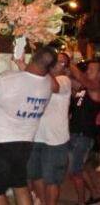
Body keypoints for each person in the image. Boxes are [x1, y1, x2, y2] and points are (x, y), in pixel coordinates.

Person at [0, 45, 57, 205]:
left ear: (32, 58)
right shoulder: (47, 84)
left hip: (0, 142)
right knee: (20, 184)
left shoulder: (9, 79)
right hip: (25, 142)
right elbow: (33, 76)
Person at [27, 52, 72, 205]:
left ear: (66, 68)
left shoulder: (64, 80)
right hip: (36, 136)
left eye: (61, 62)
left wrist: (42, 68)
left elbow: (54, 87)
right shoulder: (41, 79)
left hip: (56, 140)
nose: (55, 64)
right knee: (35, 176)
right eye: (54, 60)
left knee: (52, 180)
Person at [68, 59, 100, 205]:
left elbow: (79, 77)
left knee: (76, 172)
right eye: (88, 69)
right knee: (84, 168)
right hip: (77, 133)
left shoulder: (96, 86)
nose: (88, 71)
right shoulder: (84, 88)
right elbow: (72, 79)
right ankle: (95, 194)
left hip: (83, 135)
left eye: (92, 70)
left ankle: (81, 202)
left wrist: (69, 62)